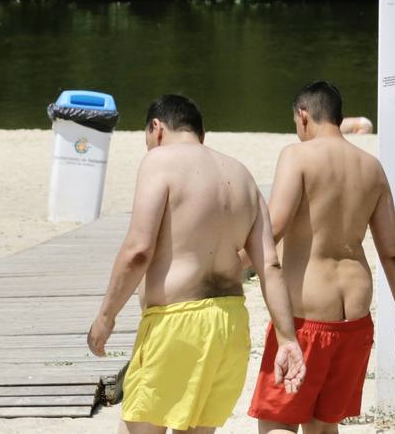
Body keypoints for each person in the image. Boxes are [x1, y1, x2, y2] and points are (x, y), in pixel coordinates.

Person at [88, 94, 306, 433]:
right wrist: (288, 338)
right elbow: (270, 267)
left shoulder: (160, 161)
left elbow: (139, 250)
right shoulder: (242, 175)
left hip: (176, 322)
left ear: (156, 128)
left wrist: (106, 315)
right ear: (200, 133)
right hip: (230, 325)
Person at [249, 81, 395, 434]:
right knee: (324, 424)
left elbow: (274, 226)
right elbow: (393, 252)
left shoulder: (297, 156)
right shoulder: (371, 167)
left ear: (304, 116)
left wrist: (230, 263)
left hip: (305, 317)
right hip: (354, 320)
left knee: (279, 418)